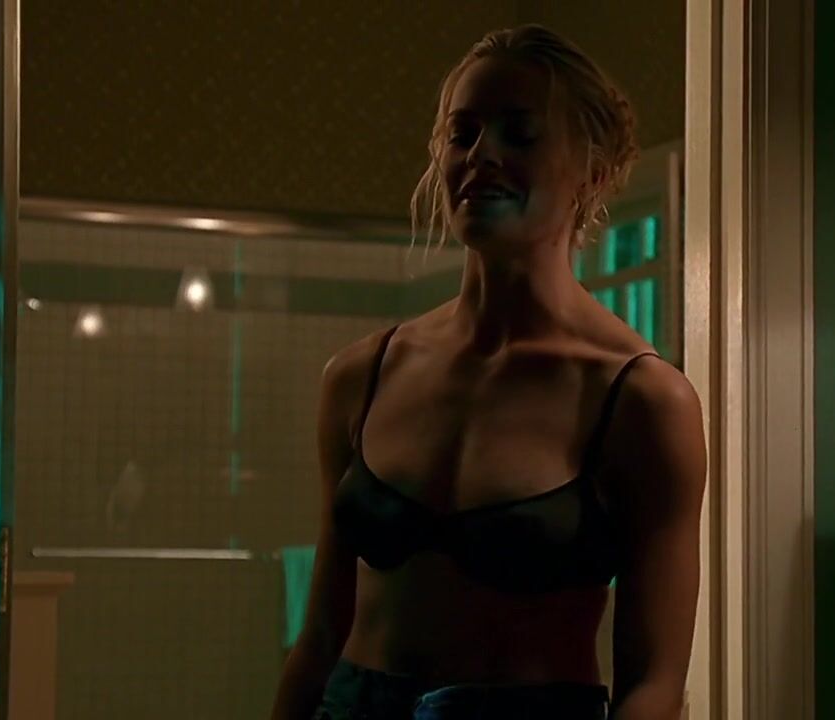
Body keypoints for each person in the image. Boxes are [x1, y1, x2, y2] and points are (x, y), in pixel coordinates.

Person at [270, 24, 707, 720]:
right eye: (463, 133)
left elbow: (654, 680)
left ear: (592, 173)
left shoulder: (640, 399)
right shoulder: (361, 376)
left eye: (519, 134)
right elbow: (319, 638)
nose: (482, 156)